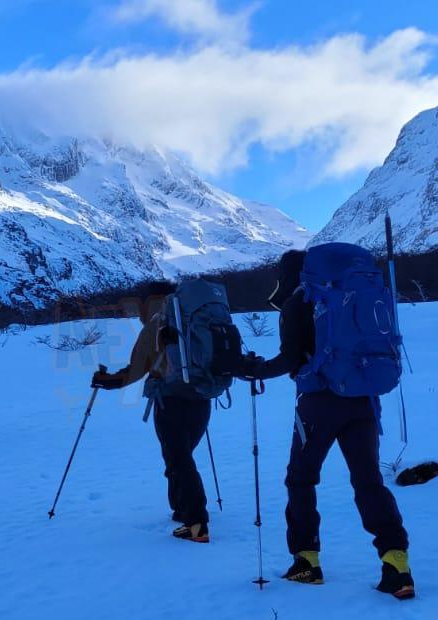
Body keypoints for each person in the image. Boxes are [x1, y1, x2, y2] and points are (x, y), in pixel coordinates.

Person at [241, 248, 415, 599]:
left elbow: (291, 357)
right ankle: (397, 564)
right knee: (369, 481)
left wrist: (253, 369)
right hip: (363, 400)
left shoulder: (298, 302)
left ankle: (306, 561)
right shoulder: (345, 295)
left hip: (318, 403)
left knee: (301, 478)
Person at [90, 280, 212, 544]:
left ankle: (196, 522)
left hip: (170, 400)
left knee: (178, 458)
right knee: (182, 456)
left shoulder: (156, 322)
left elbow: (136, 369)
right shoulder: (196, 316)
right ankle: (182, 509)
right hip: (202, 398)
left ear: (146, 302)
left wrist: (106, 380)